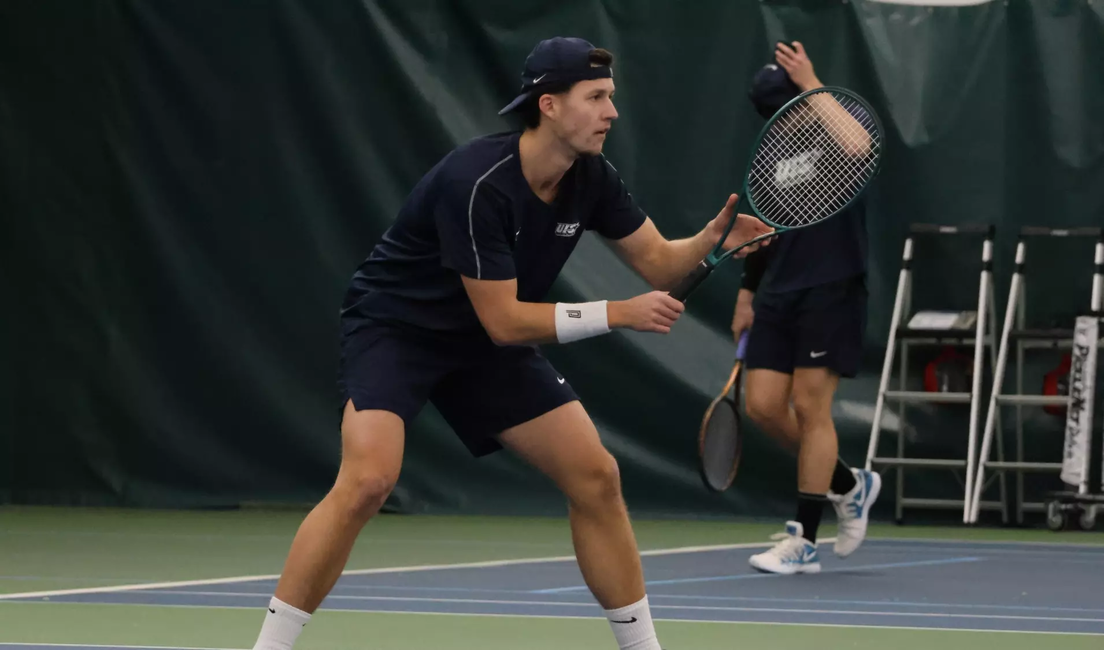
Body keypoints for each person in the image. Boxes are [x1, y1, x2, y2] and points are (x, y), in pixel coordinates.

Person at [250, 36, 771, 650]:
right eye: (596, 97)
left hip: (483, 345)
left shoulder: (592, 178)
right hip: (398, 330)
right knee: (368, 481)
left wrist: (712, 239)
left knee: (596, 476)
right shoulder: (476, 183)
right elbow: (505, 322)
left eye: (611, 97)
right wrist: (617, 313)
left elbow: (659, 263)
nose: (611, 112)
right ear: (549, 105)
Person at [732, 41, 882, 575]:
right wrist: (747, 294)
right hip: (779, 291)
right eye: (772, 113)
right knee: (763, 407)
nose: (782, 120)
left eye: (789, 106)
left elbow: (861, 147)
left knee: (809, 407)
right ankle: (847, 483)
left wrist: (812, 82)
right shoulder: (770, 153)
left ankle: (805, 542)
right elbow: (763, 230)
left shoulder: (841, 121)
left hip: (833, 285)